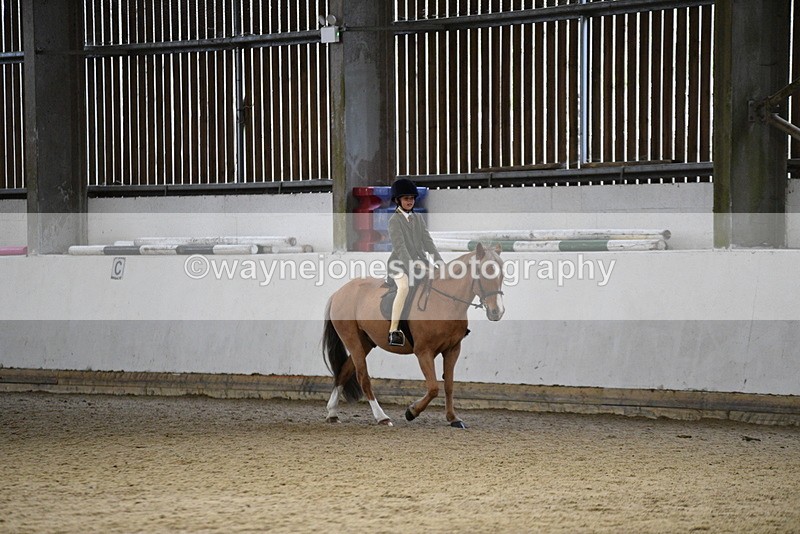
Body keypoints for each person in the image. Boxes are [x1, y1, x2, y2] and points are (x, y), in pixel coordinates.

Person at [385, 178, 444, 346]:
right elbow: (400, 247)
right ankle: (394, 330)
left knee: (439, 282)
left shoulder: (418, 218)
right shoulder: (394, 221)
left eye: (411, 198)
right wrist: (412, 265)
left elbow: (428, 242)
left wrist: (438, 261)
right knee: (403, 288)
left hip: (419, 262)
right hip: (398, 264)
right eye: (406, 198)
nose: (409, 201)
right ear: (398, 200)